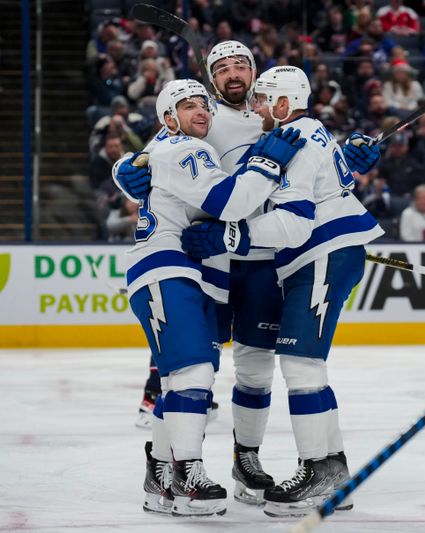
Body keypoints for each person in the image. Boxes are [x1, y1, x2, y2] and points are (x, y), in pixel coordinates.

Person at [114, 41, 382, 509]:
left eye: (242, 66)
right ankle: (164, 466)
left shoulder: (273, 117)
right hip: (210, 260)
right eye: (222, 68)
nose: (233, 74)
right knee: (186, 369)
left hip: (264, 259)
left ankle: (247, 460)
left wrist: (347, 160)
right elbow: (150, 156)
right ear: (209, 79)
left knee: (256, 368)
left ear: (256, 77)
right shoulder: (199, 114)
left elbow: (310, 165)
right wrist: (124, 169)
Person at [180, 65, 385, 518]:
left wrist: (230, 238)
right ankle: (330, 470)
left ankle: (320, 471)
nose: (255, 108)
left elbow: (293, 223)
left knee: (300, 363)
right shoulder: (307, 134)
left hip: (321, 253)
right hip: (315, 257)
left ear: (283, 104)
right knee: (303, 364)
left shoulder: (298, 139)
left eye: (262, 100)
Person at [123, 78, 307, 517]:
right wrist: (267, 162)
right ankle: (188, 475)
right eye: (187, 107)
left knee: (183, 378)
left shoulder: (185, 147)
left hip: (197, 271)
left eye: (202, 105)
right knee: (193, 372)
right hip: (168, 267)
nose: (200, 111)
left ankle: (162, 475)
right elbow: (230, 200)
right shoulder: (183, 149)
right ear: (169, 120)